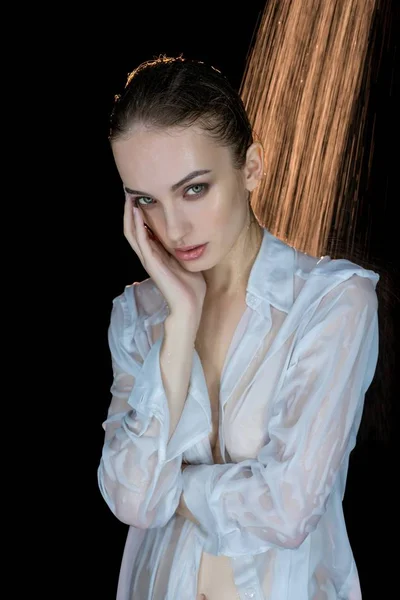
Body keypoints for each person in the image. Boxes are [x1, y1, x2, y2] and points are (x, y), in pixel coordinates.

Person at [98, 55, 380, 600]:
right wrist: (180, 324)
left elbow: (289, 508)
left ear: (250, 167)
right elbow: (132, 502)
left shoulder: (333, 303)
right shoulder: (139, 316)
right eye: (146, 201)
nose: (173, 227)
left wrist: (171, 487)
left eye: (195, 189)